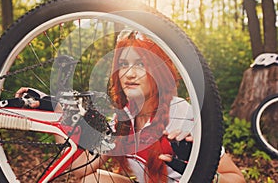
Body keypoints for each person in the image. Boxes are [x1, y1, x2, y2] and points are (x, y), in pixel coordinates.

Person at [15, 30, 245, 183]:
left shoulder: (182, 113)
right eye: (123, 65)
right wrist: (57, 111)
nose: (130, 74)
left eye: (140, 65)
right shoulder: (121, 119)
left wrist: (197, 168)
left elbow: (236, 179)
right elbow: (77, 169)